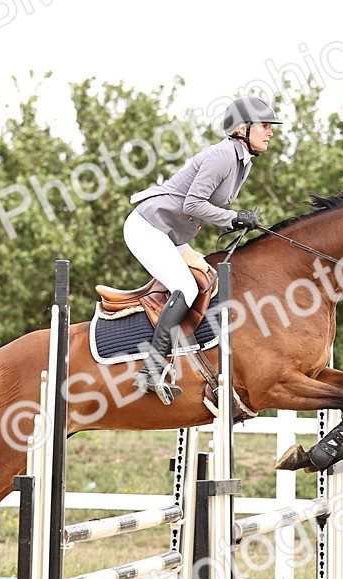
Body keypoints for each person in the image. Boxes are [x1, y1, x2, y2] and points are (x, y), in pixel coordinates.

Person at [124, 96, 282, 404]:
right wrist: (234, 217)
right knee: (184, 286)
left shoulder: (242, 161)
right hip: (148, 227)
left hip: (170, 233)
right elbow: (192, 204)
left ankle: (191, 361)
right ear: (242, 128)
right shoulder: (223, 156)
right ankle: (151, 369)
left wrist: (235, 222)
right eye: (264, 126)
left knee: (208, 278)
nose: (270, 132)